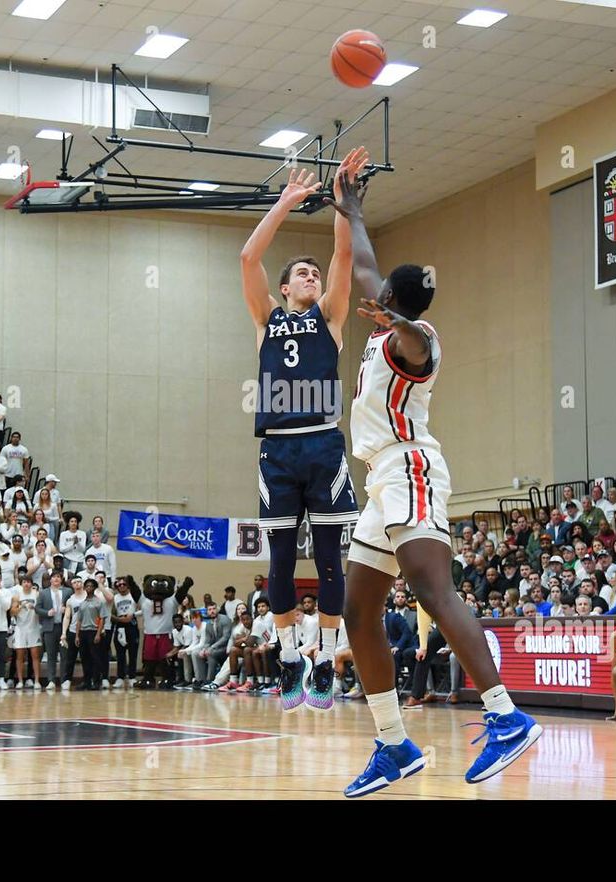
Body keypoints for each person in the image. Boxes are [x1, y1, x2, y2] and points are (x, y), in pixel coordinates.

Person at [329, 171, 541, 798]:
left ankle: (505, 715)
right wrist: (353, 210)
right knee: (358, 611)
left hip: (412, 467)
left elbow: (416, 340)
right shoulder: (381, 321)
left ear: (395, 301)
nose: (375, 287)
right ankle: (394, 744)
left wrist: (402, 322)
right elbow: (366, 267)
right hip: (381, 481)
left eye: (386, 294)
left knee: (432, 589)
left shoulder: (414, 342)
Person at [240, 151, 368, 714]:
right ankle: (291, 654)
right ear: (286, 288)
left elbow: (343, 250)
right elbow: (248, 256)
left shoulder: (332, 318)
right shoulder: (267, 318)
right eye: (301, 274)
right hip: (278, 449)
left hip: (323, 442)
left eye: (314, 273)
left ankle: (325, 657)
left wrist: (343, 197)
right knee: (279, 560)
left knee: (332, 560)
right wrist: (286, 202)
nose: (311, 276)